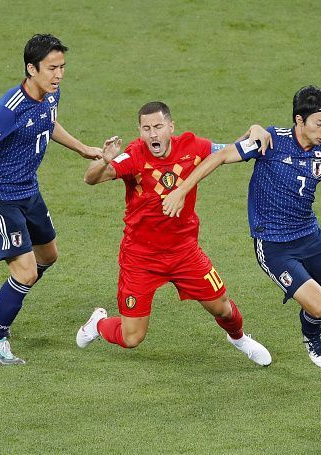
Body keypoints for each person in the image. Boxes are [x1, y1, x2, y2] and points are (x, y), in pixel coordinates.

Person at [162, 86, 321, 376]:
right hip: (274, 244)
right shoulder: (269, 141)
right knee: (318, 307)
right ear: (299, 120)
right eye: (319, 123)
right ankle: (313, 337)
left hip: (310, 235)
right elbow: (219, 157)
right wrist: (182, 190)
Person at [75, 101, 272, 366]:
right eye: (146, 129)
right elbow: (91, 178)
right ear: (140, 131)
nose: (153, 134)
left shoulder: (193, 147)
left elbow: (228, 151)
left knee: (223, 308)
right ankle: (98, 324)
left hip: (184, 252)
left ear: (171, 126)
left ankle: (238, 339)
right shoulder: (133, 156)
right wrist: (104, 160)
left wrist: (255, 130)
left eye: (158, 127)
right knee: (132, 338)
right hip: (141, 257)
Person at [0, 34, 104, 365]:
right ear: (31, 69)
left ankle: (2, 299)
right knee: (26, 272)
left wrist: (83, 148)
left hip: (29, 190)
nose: (58, 75)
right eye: (51, 68)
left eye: (62, 68)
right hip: (2, 197)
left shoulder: (49, 96)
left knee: (48, 254)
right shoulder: (7, 111)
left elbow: (49, 123)